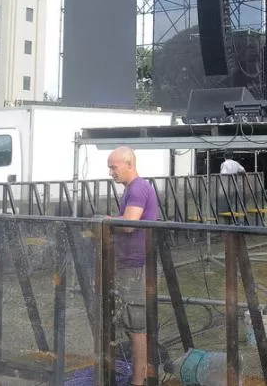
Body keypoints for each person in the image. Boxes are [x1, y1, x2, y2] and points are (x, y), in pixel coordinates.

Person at [106, 146, 160, 386]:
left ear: (129, 164)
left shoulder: (138, 188)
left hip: (137, 265)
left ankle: (139, 380)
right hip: (130, 263)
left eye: (113, 167)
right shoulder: (132, 189)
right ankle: (140, 375)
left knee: (137, 327)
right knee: (130, 323)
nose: (110, 172)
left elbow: (129, 224)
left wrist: (105, 220)